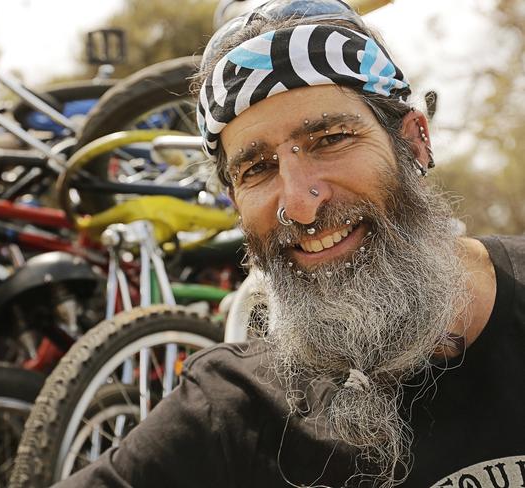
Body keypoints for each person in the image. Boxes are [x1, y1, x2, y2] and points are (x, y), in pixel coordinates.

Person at [56, 1, 525, 486]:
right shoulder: (235, 411)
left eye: (330, 138)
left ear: (414, 141)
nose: (300, 205)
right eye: (256, 169)